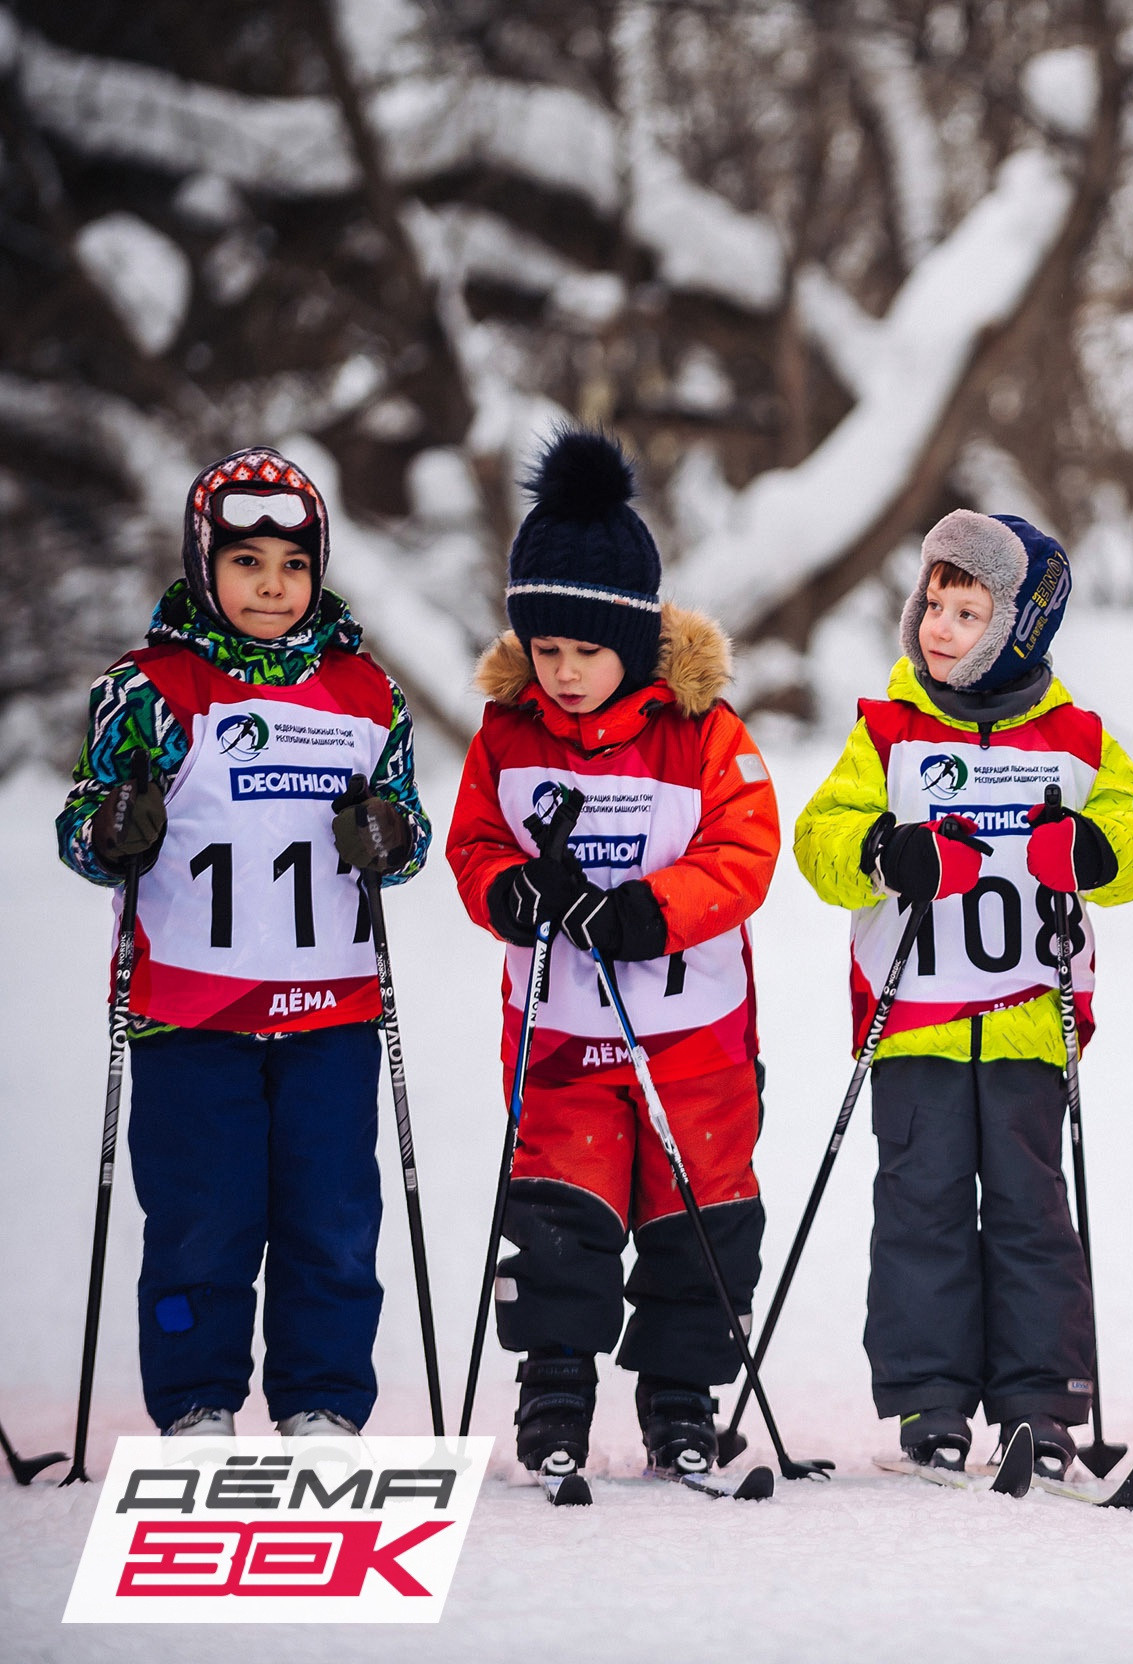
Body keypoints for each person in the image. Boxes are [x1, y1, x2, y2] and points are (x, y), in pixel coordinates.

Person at [57, 447, 430, 1438]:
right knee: (201, 1220)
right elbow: (85, 820)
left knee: (333, 1224)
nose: (272, 585)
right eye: (247, 561)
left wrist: (389, 835)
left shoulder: (364, 691)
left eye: (294, 565)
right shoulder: (148, 686)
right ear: (201, 563)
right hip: (192, 1011)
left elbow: (407, 827)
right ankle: (197, 1398)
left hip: (332, 1011)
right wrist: (111, 826)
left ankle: (322, 1400)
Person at [793, 510, 1133, 1482]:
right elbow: (820, 840)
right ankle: (930, 1399)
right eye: (934, 603)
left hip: (1025, 1023)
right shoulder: (889, 726)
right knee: (918, 1208)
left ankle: (1040, 1403)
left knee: (1027, 1213)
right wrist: (883, 850)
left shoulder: (1074, 736)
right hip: (912, 1016)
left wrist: (1094, 849)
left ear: (1020, 626)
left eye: (969, 610)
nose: (940, 626)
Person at [447, 430, 779, 1484]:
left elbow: (745, 850)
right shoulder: (508, 734)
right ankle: (554, 1392)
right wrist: (510, 886)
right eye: (546, 650)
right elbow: (474, 844)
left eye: (586, 651)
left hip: (696, 1040)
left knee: (699, 1221)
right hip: (561, 1038)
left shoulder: (704, 732)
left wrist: (648, 910)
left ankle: (682, 1400)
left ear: (633, 641)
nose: (565, 671)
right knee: (560, 1219)